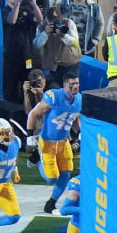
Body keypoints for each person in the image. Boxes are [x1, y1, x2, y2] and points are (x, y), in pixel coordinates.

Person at [26, 69, 81, 213]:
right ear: (64, 86)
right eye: (71, 85)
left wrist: (78, 134)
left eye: (77, 84)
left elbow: (75, 117)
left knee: (66, 173)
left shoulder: (79, 99)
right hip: (48, 142)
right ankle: (38, 158)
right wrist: (30, 136)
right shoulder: (54, 96)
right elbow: (33, 114)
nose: (75, 87)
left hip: (63, 142)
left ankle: (51, 203)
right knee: (52, 177)